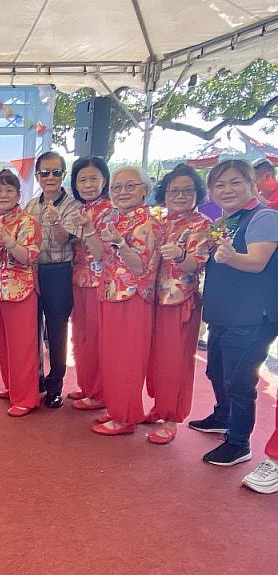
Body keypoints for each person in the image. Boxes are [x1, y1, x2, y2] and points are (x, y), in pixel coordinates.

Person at [188, 159, 278, 466]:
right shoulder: (224, 220)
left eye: (235, 182)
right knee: (216, 371)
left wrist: (231, 256)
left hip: (252, 317)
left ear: (252, 185)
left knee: (239, 382)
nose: (227, 190)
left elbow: (256, 261)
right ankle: (222, 416)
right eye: (220, 185)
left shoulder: (263, 217)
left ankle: (239, 443)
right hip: (224, 314)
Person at [78, 167, 162, 436]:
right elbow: (98, 256)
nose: (122, 192)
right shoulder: (115, 218)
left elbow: (141, 268)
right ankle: (116, 408)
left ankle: (126, 417)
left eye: (130, 186)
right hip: (109, 292)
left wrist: (120, 244)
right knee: (112, 356)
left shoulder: (149, 222)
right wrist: (89, 228)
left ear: (145, 191)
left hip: (133, 297)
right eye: (117, 187)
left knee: (127, 357)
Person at [145, 165, 211, 444]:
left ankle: (172, 417)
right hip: (151, 299)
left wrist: (180, 254)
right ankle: (160, 406)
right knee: (156, 358)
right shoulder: (160, 222)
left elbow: (195, 264)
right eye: (174, 190)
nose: (180, 196)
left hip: (179, 300)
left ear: (198, 193)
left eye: (187, 190)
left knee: (175, 360)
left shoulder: (203, 224)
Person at [26, 151, 83, 409]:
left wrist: (55, 222)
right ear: (37, 176)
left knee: (57, 331)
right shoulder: (30, 205)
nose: (50, 177)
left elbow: (63, 239)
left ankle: (55, 384)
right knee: (31, 329)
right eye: (45, 173)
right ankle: (35, 379)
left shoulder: (72, 205)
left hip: (59, 272)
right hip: (32, 272)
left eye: (56, 172)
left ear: (63, 175)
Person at [0, 170, 41, 417]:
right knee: (4, 343)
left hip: (20, 290)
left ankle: (27, 397)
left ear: (19, 194)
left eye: (9, 190)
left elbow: (28, 257)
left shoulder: (27, 221)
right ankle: (12, 387)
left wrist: (8, 241)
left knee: (22, 346)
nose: (3, 195)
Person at [68, 157, 112, 410]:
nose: (87, 185)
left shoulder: (109, 211)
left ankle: (99, 392)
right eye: (82, 180)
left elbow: (102, 253)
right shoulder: (79, 210)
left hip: (101, 282)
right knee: (81, 336)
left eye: (93, 178)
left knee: (96, 337)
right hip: (79, 279)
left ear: (104, 181)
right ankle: (87, 385)